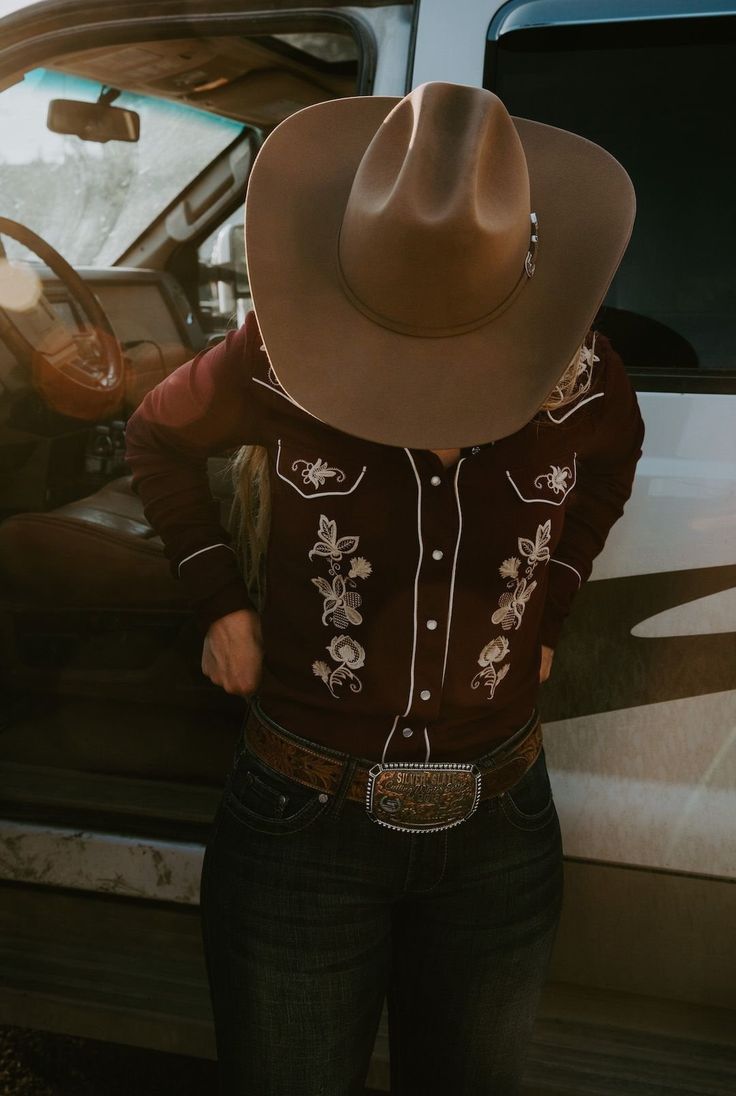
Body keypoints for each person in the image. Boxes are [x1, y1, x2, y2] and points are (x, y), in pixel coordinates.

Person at [124, 82, 644, 1096]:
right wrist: (216, 599)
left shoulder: (581, 372)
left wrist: (557, 594)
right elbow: (153, 434)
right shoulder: (276, 353)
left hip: (501, 832)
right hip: (299, 827)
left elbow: (615, 453)